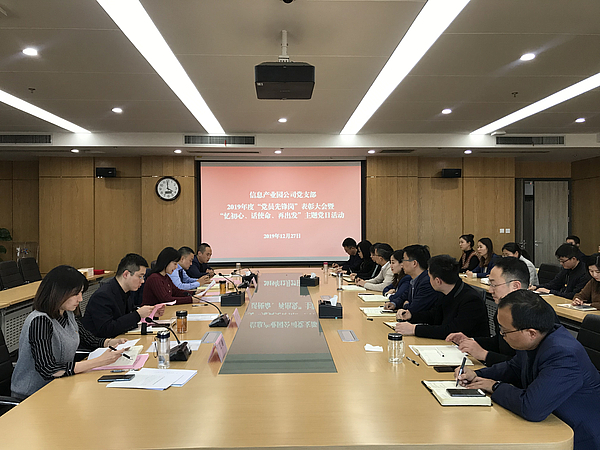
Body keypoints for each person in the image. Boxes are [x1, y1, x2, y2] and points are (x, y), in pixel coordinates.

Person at [456, 290, 600, 450]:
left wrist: (494, 386)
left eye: (505, 331)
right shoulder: (538, 338)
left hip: (577, 437)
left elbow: (531, 408)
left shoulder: (564, 355)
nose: (502, 335)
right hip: (549, 422)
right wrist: (477, 374)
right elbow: (514, 367)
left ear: (531, 333)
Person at [11, 265, 127, 400]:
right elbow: (49, 369)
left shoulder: (67, 314)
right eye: (76, 294)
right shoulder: (40, 321)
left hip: (60, 386)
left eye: (81, 293)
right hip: (32, 395)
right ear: (58, 293)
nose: (80, 299)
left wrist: (111, 342)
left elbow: (88, 339)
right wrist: (98, 361)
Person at [446, 257, 529, 366]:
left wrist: (485, 355)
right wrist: (470, 341)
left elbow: (523, 366)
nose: (490, 290)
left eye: (494, 285)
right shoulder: (503, 310)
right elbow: (499, 343)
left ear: (515, 286)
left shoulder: (530, 317)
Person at [394, 255, 488, 339]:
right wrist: (411, 316)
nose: (429, 280)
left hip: (467, 350)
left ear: (438, 281)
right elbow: (434, 315)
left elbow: (452, 330)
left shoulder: (471, 300)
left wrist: (415, 329)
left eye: (430, 277)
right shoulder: (444, 291)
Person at [82, 253, 165, 338]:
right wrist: (137, 314)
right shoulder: (102, 296)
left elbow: (129, 314)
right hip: (101, 343)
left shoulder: (125, 291)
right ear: (126, 274)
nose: (143, 281)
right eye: (140, 276)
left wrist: (150, 313)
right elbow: (107, 329)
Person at [384, 244, 441, 314]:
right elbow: (403, 297)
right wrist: (394, 304)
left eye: (404, 260)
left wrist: (406, 305)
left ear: (414, 263)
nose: (402, 264)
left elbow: (414, 308)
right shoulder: (414, 279)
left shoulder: (427, 282)